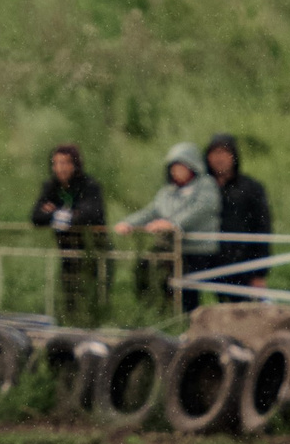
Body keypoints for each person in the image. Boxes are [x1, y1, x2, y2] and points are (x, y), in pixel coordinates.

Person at [113, 141, 219, 313]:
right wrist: (129, 223)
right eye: (173, 167)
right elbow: (151, 211)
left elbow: (199, 210)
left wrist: (172, 224)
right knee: (147, 268)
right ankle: (153, 311)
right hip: (171, 249)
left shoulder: (206, 185)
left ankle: (186, 319)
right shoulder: (167, 192)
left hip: (197, 250)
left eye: (181, 167)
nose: (176, 172)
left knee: (186, 286)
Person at [28, 143, 106, 324]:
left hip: (91, 248)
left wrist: (56, 213)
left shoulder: (90, 185)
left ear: (74, 165)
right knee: (69, 289)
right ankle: (70, 321)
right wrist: (67, 214)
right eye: (55, 163)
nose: (59, 168)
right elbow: (36, 216)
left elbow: (91, 213)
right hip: (66, 246)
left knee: (92, 289)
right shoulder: (51, 186)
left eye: (64, 163)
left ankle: (92, 323)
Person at [202, 132, 270, 300]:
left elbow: (262, 228)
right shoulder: (202, 188)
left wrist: (259, 273)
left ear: (234, 156)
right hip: (209, 261)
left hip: (242, 262)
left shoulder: (251, 188)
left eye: (224, 153)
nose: (219, 159)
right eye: (215, 153)